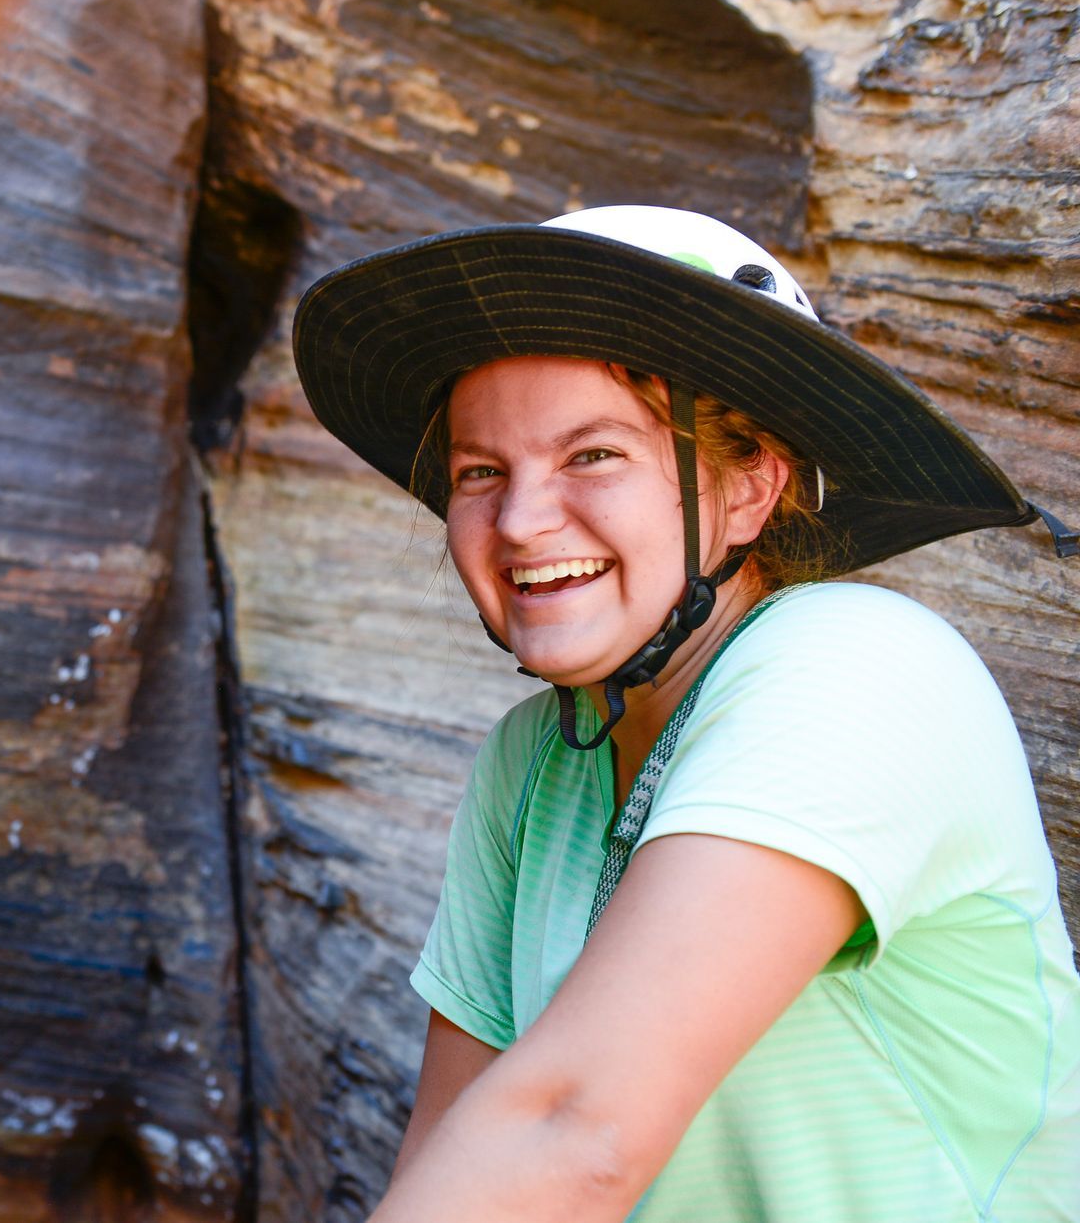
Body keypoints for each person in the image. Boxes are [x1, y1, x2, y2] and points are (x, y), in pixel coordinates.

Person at [290, 206, 1080, 1221]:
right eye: (480, 472)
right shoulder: (530, 765)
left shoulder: (858, 665)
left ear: (750, 488)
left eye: (593, 456)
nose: (521, 520)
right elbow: (459, 1157)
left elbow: (577, 1132)